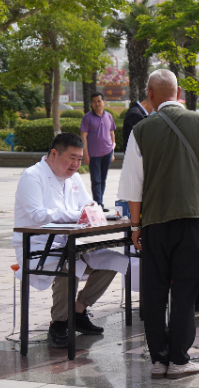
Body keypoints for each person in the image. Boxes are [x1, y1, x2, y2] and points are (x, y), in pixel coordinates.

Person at [118, 69, 199, 379]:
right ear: (178, 94)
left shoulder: (140, 130)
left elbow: (132, 186)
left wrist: (136, 227)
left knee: (153, 292)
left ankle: (159, 359)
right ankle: (180, 359)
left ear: (150, 95)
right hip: (191, 220)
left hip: (154, 224)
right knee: (184, 289)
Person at [14, 133, 128, 349]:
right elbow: (38, 215)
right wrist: (77, 215)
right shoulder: (32, 176)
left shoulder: (73, 177)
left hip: (70, 243)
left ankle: (78, 311)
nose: (76, 164)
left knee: (114, 259)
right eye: (72, 158)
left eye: (79, 159)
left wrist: (98, 213)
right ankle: (59, 323)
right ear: (54, 154)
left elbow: (89, 205)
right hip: (36, 247)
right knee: (69, 264)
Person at [80, 92, 116, 211]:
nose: (97, 103)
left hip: (107, 153)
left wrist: (112, 152)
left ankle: (99, 203)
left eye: (99, 101)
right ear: (91, 103)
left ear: (104, 102)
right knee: (96, 180)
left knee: (103, 180)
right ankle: (98, 205)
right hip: (94, 154)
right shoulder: (87, 118)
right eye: (94, 101)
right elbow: (83, 136)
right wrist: (85, 154)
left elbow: (112, 134)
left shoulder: (109, 116)